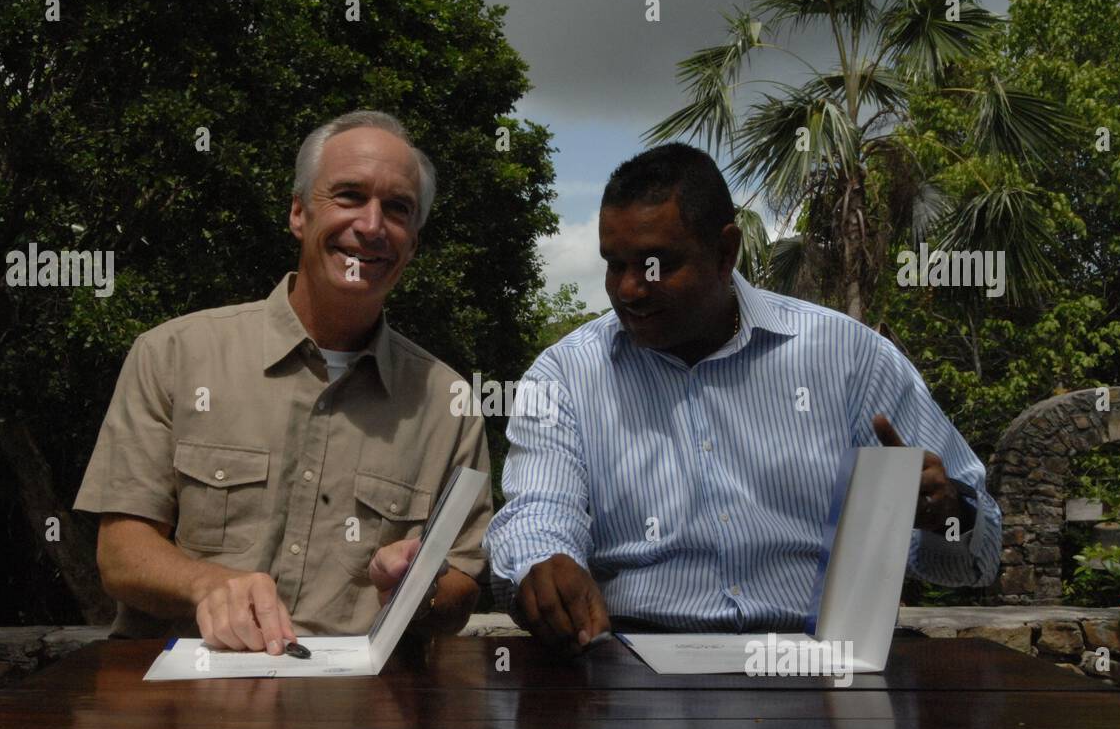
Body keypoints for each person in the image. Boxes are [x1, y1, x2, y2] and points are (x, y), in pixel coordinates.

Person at [484, 143, 1001, 655]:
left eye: (655, 264)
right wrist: (543, 561)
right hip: (634, 669)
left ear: (726, 252)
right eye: (614, 265)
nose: (629, 289)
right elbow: (539, 510)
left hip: (828, 668)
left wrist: (950, 514)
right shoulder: (565, 377)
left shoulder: (850, 358)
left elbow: (978, 563)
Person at [74, 110, 491, 655]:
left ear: (413, 241)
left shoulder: (449, 404)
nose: (370, 225)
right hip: (180, 708)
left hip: (354, 717)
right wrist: (210, 585)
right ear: (298, 212)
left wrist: (420, 588)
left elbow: (461, 585)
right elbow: (121, 555)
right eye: (348, 196)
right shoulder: (174, 355)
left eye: (397, 208)